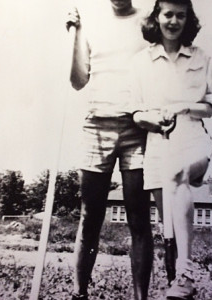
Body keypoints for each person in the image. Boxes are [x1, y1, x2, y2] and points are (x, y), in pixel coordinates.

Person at [130, 0, 212, 298]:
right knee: (168, 222)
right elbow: (136, 113)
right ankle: (179, 286)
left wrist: (181, 107)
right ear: (157, 17)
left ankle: (185, 271)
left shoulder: (202, 57)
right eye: (168, 14)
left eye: (181, 15)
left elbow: (208, 108)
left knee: (179, 174)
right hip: (158, 143)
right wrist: (152, 119)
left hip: (194, 138)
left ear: (188, 20)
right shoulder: (141, 61)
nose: (174, 21)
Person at [66, 1, 153, 299]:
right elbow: (78, 81)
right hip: (96, 128)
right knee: (90, 215)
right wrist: (75, 32)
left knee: (139, 218)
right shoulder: (90, 21)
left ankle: (140, 296)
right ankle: (80, 293)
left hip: (137, 128)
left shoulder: (147, 20)